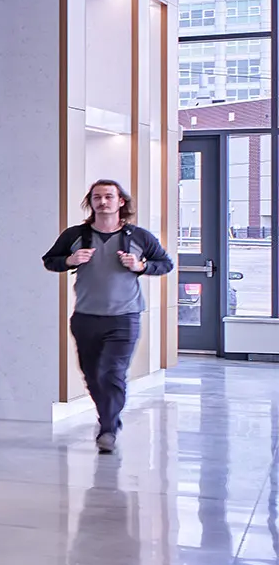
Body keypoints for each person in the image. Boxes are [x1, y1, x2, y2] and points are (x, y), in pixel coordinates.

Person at [42, 179, 173, 454]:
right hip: (86, 317)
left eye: (109, 197)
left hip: (125, 318)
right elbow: (50, 260)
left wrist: (141, 266)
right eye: (97, 197)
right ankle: (108, 418)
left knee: (112, 372)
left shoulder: (139, 237)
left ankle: (108, 429)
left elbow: (165, 264)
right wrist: (69, 261)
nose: (103, 202)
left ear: (120, 201)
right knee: (92, 375)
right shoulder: (75, 235)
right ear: (91, 202)